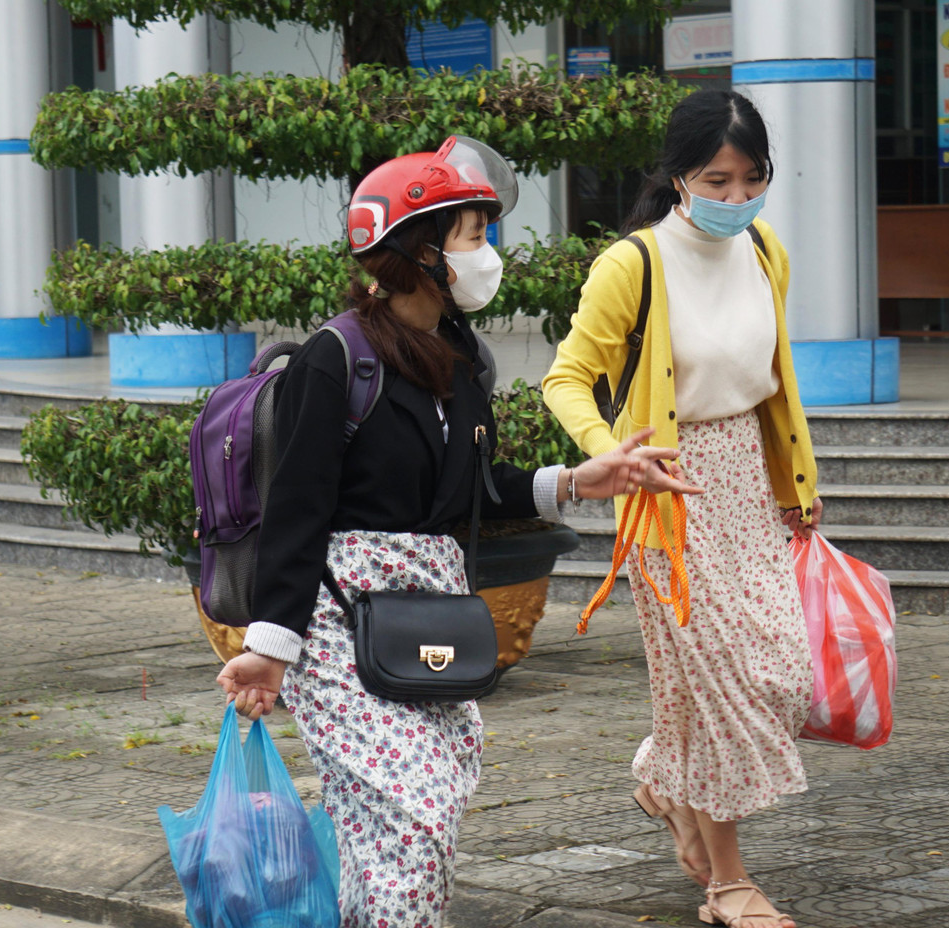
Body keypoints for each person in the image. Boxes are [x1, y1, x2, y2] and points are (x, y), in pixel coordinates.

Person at [214, 136, 696, 928]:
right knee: (415, 814)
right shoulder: (337, 360)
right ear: (421, 250)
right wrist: (270, 648)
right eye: (474, 235)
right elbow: (296, 511)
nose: (487, 252)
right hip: (338, 623)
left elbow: (469, 490)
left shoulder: (461, 359)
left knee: (395, 828)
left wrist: (577, 482)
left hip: (428, 614)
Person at [542, 90, 823, 928]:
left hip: (749, 483)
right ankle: (729, 883)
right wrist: (611, 453)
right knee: (721, 682)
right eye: (717, 180)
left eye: (752, 179)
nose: (737, 199)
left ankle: (668, 784)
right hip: (667, 486)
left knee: (783, 672)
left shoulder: (766, 249)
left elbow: (771, 379)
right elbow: (566, 377)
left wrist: (797, 489)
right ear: (677, 177)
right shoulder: (633, 263)